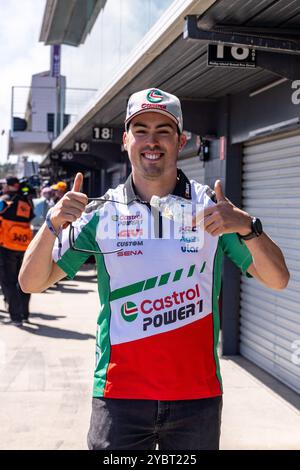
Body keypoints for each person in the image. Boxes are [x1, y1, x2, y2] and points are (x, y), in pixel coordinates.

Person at [19, 88, 290, 450]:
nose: (152, 141)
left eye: (163, 131)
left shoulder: (211, 208)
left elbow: (277, 279)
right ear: (125, 140)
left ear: (180, 140)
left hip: (197, 398)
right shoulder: (102, 212)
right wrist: (52, 224)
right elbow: (31, 282)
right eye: (141, 129)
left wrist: (246, 225)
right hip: (119, 398)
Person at [0, 176, 35, 326]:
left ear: (8, 186)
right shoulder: (26, 201)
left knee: (8, 282)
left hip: (6, 246)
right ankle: (24, 314)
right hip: (24, 246)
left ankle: (16, 317)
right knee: (23, 281)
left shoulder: (4, 200)